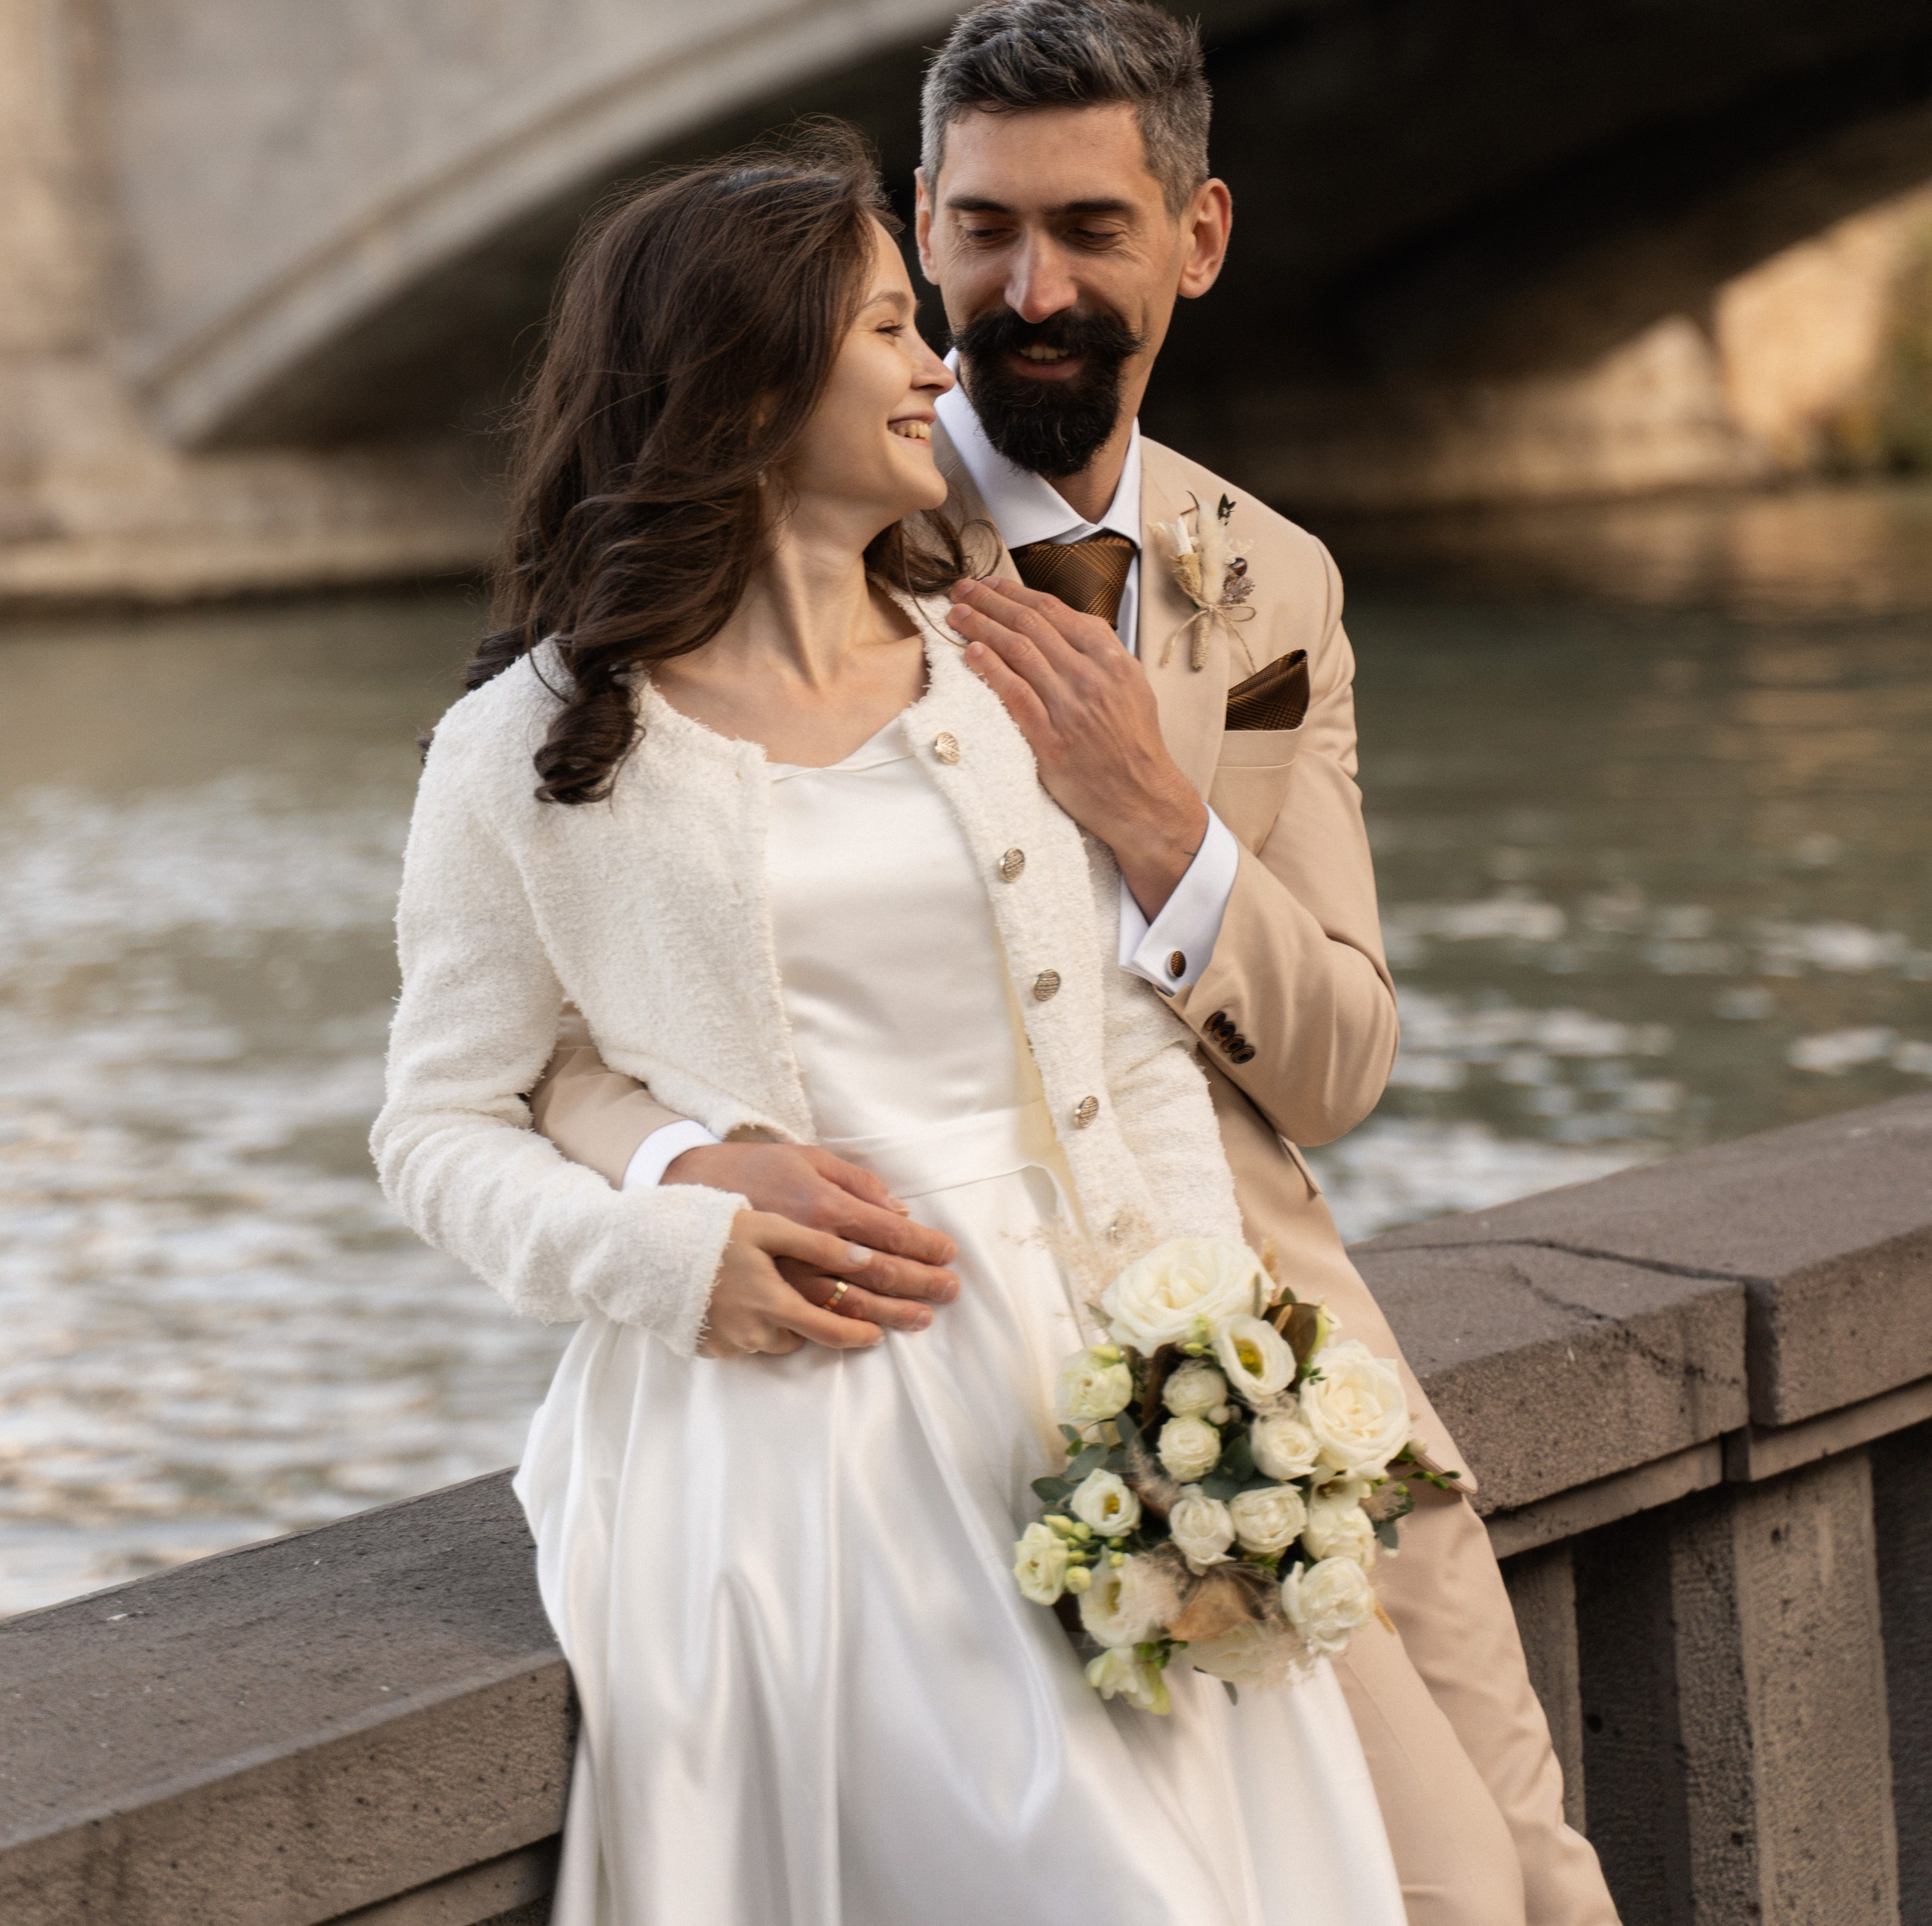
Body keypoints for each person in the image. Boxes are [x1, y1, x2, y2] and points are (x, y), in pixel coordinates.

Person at [531, 0, 1620, 1926]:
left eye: (1088, 232)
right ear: (918, 222)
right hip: (935, 1376)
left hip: (1270, 1341)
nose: (1020, 293)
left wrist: (1157, 821)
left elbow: (1341, 1060)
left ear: (1195, 238)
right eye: (975, 233)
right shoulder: (781, 527)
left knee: (1526, 1872)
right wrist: (678, 1170)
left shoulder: (1269, 580)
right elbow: (556, 1017)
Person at [374, 130, 1408, 1926]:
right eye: (881, 322)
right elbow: (437, 1122)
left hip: (1081, 1382)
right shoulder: (532, 746)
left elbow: (1125, 1047)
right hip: (792, 1417)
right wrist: (667, 1249)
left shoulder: (992, 670)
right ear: (750, 376)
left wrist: (1203, 1366)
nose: (940, 356)